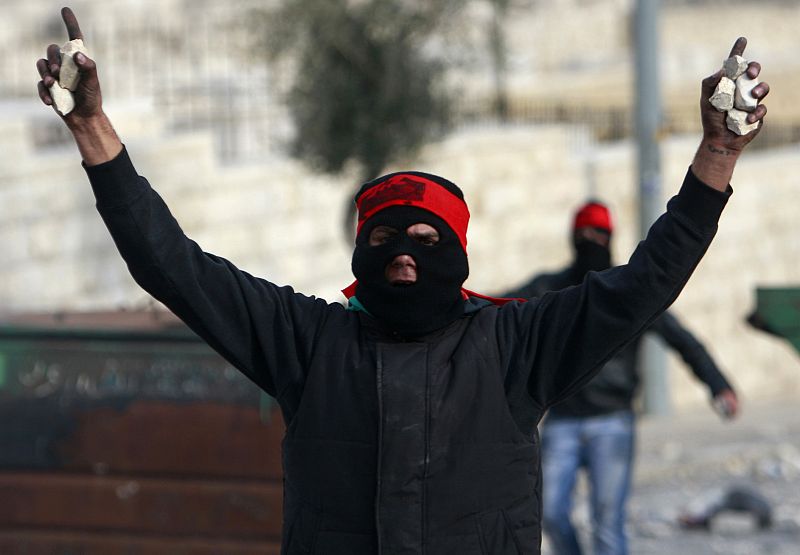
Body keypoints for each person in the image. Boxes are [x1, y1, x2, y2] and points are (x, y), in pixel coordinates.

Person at [36, 7, 769, 554]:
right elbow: (173, 266)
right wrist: (94, 132)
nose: (405, 255)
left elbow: (648, 279)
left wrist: (716, 154)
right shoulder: (309, 343)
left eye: (426, 239)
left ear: (458, 252)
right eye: (384, 239)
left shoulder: (516, 344)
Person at [503, 201, 740, 555]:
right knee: (550, 513)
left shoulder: (627, 292)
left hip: (612, 421)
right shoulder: (550, 289)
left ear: (610, 238)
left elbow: (683, 341)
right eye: (582, 235)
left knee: (607, 523)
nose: (590, 241)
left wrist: (718, 385)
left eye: (597, 234)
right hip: (562, 420)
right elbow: (496, 312)